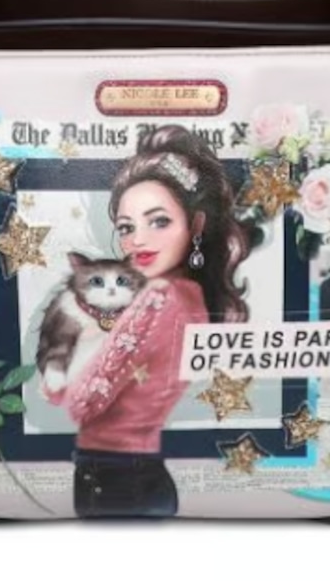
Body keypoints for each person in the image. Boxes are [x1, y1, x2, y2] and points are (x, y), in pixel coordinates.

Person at [43, 124, 252, 517]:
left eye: (158, 221)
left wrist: (66, 370)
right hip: (135, 472)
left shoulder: (157, 298)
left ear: (196, 225)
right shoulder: (191, 296)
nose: (138, 240)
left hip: (115, 477)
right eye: (126, 227)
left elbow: (80, 404)